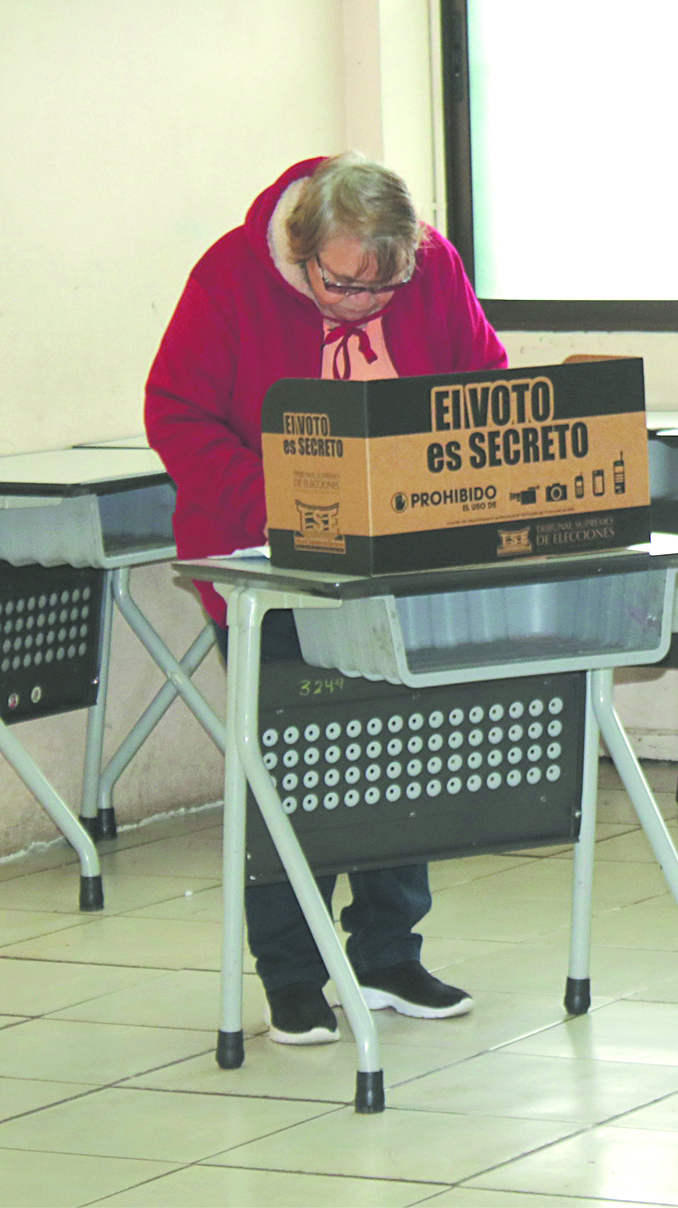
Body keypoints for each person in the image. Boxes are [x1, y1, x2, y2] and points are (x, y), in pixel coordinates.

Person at [145, 152, 507, 1045]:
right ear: (302, 251)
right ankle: (292, 975)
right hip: (268, 562)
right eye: (342, 286)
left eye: (384, 287)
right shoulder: (230, 276)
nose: (363, 304)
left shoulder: (432, 266)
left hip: (399, 560)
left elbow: (482, 384)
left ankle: (386, 956)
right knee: (291, 771)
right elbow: (177, 412)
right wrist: (281, 502)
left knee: (400, 758)